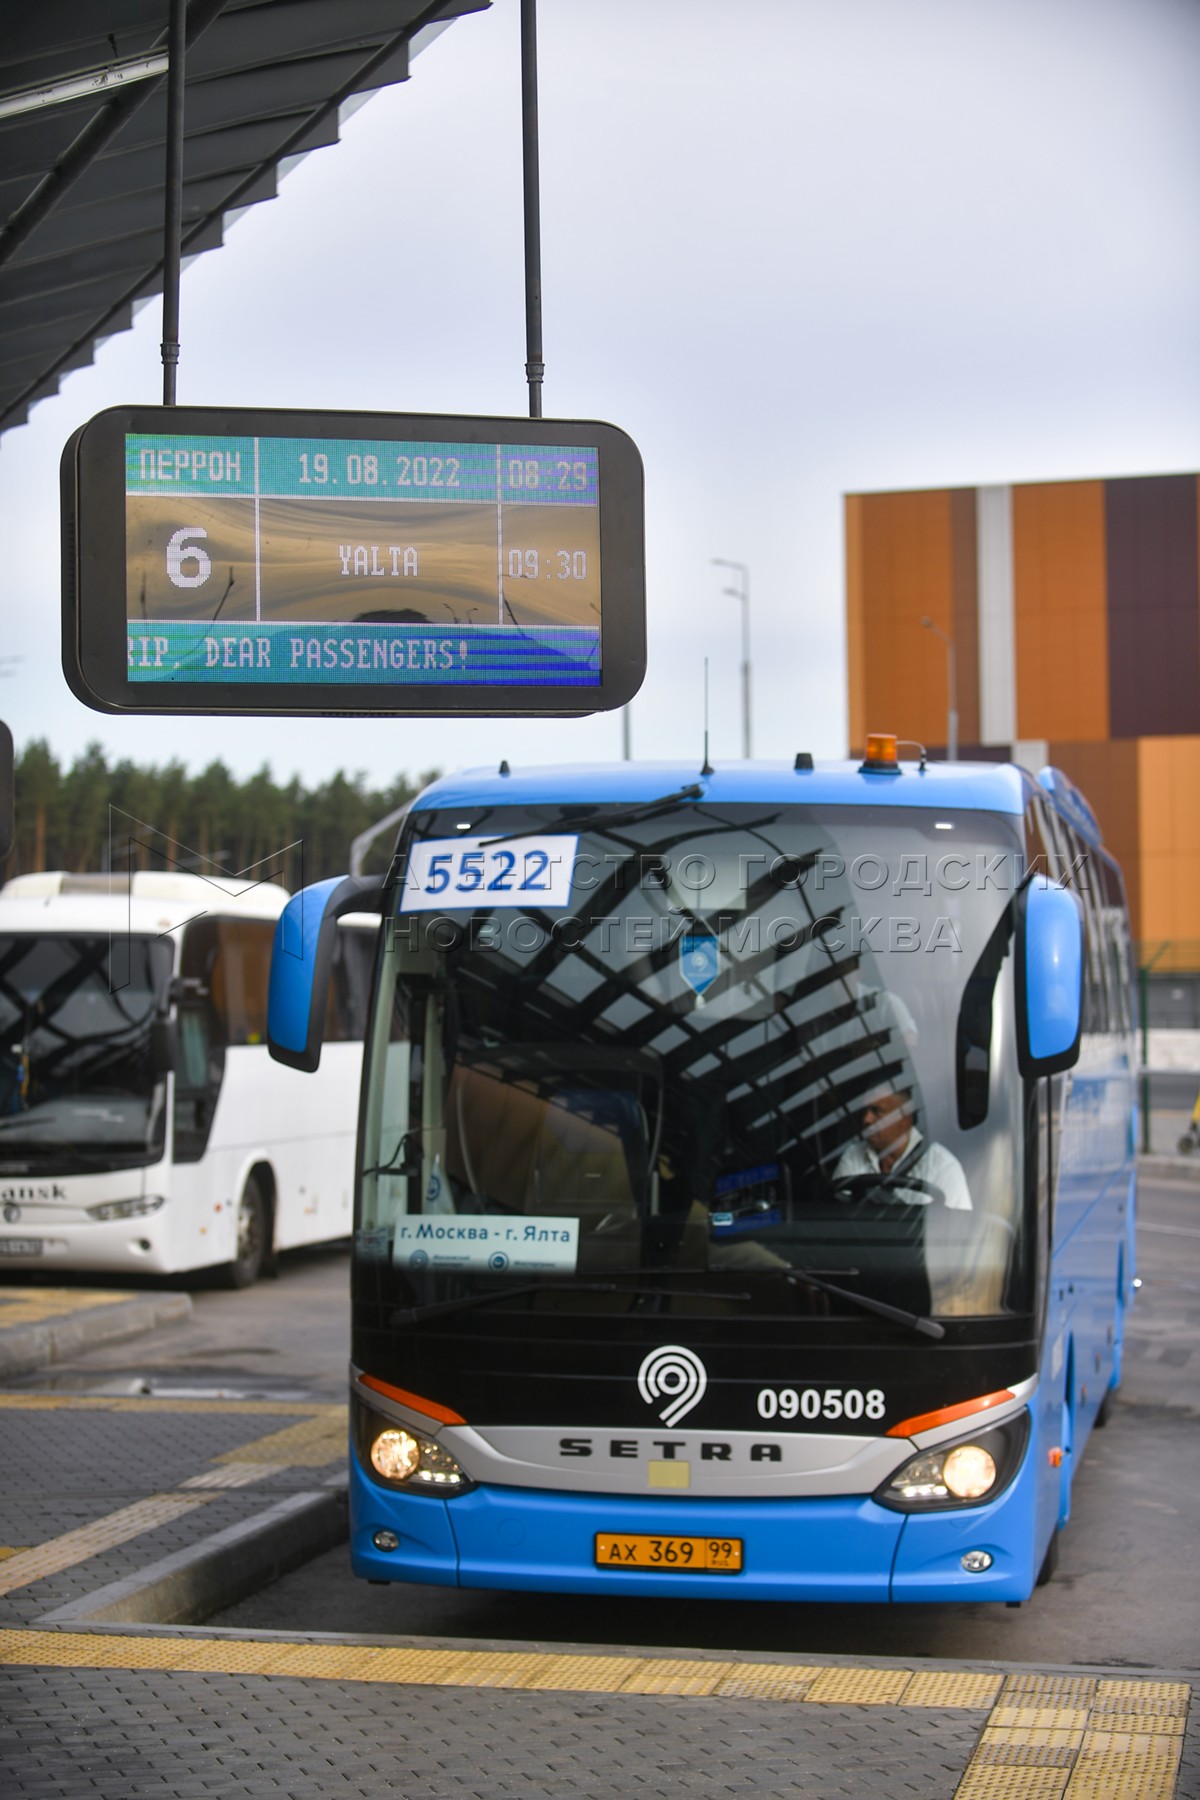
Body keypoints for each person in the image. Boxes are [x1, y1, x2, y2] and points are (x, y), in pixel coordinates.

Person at [832, 1086, 971, 1210]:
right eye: (865, 1111)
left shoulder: (942, 1167)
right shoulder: (853, 1155)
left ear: (904, 1119)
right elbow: (837, 1218)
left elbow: (958, 1230)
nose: (866, 1119)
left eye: (876, 1111)